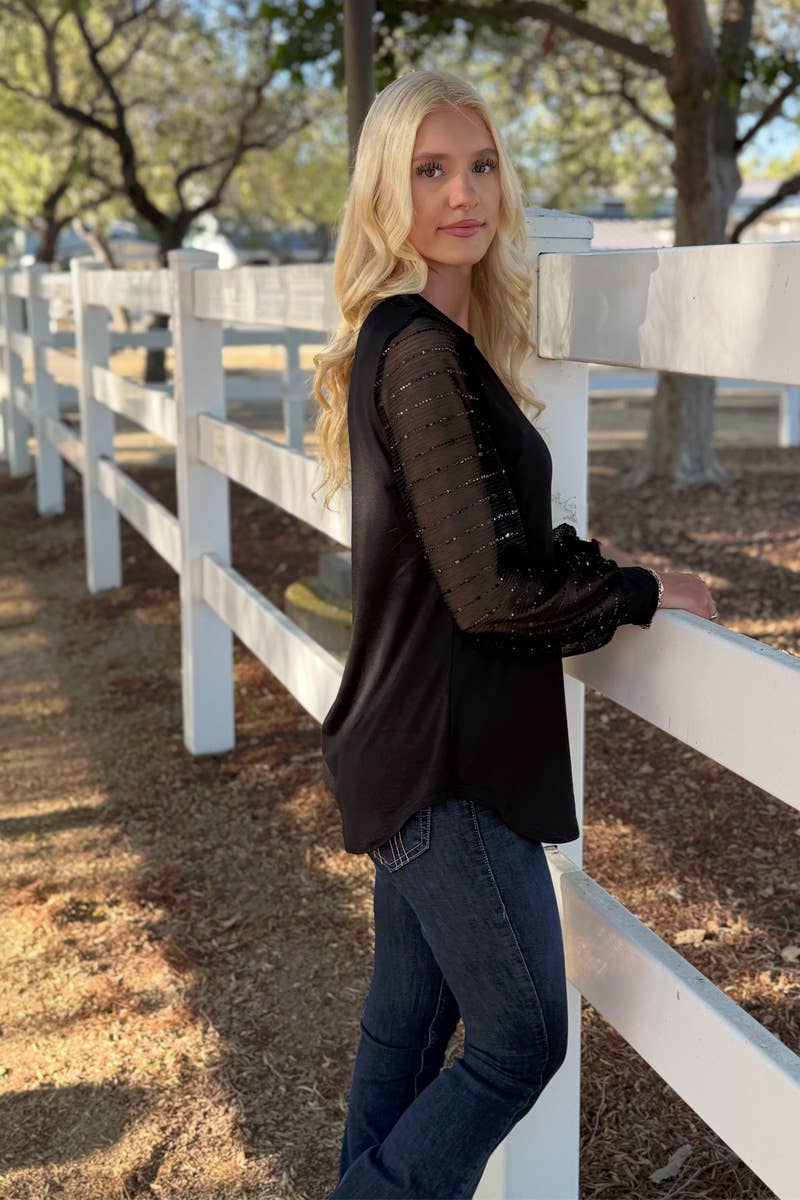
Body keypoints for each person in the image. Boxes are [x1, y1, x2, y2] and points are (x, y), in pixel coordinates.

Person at [310, 69, 718, 1200]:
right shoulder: (420, 355)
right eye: (430, 170)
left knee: (402, 1036)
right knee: (519, 1035)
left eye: (479, 165)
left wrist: (616, 572)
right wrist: (634, 595)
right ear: (386, 191)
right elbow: (489, 595)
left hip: (420, 748)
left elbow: (490, 545)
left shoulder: (426, 339)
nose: (461, 193)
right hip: (444, 765)